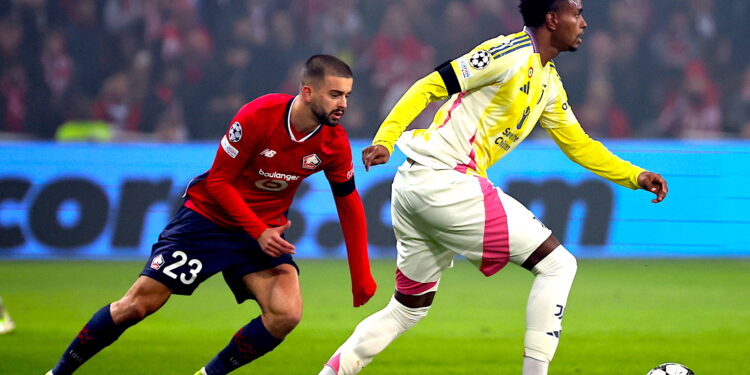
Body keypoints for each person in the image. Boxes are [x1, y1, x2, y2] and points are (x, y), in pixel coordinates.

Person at [317, 1, 668, 375]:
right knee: (558, 265)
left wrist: (635, 176)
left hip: (415, 184)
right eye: (576, 13)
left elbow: (579, 145)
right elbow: (429, 85)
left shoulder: (548, 83)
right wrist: (386, 138)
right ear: (552, 19)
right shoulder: (507, 53)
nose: (583, 22)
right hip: (445, 178)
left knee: (407, 308)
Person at [45, 54, 377, 375]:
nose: (343, 104)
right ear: (307, 92)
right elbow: (218, 181)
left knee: (286, 314)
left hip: (262, 235)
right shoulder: (259, 115)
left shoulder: (334, 142)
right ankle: (58, 372)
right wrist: (257, 230)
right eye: (335, 94)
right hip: (208, 221)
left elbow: (347, 202)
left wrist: (360, 273)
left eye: (347, 95)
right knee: (137, 305)